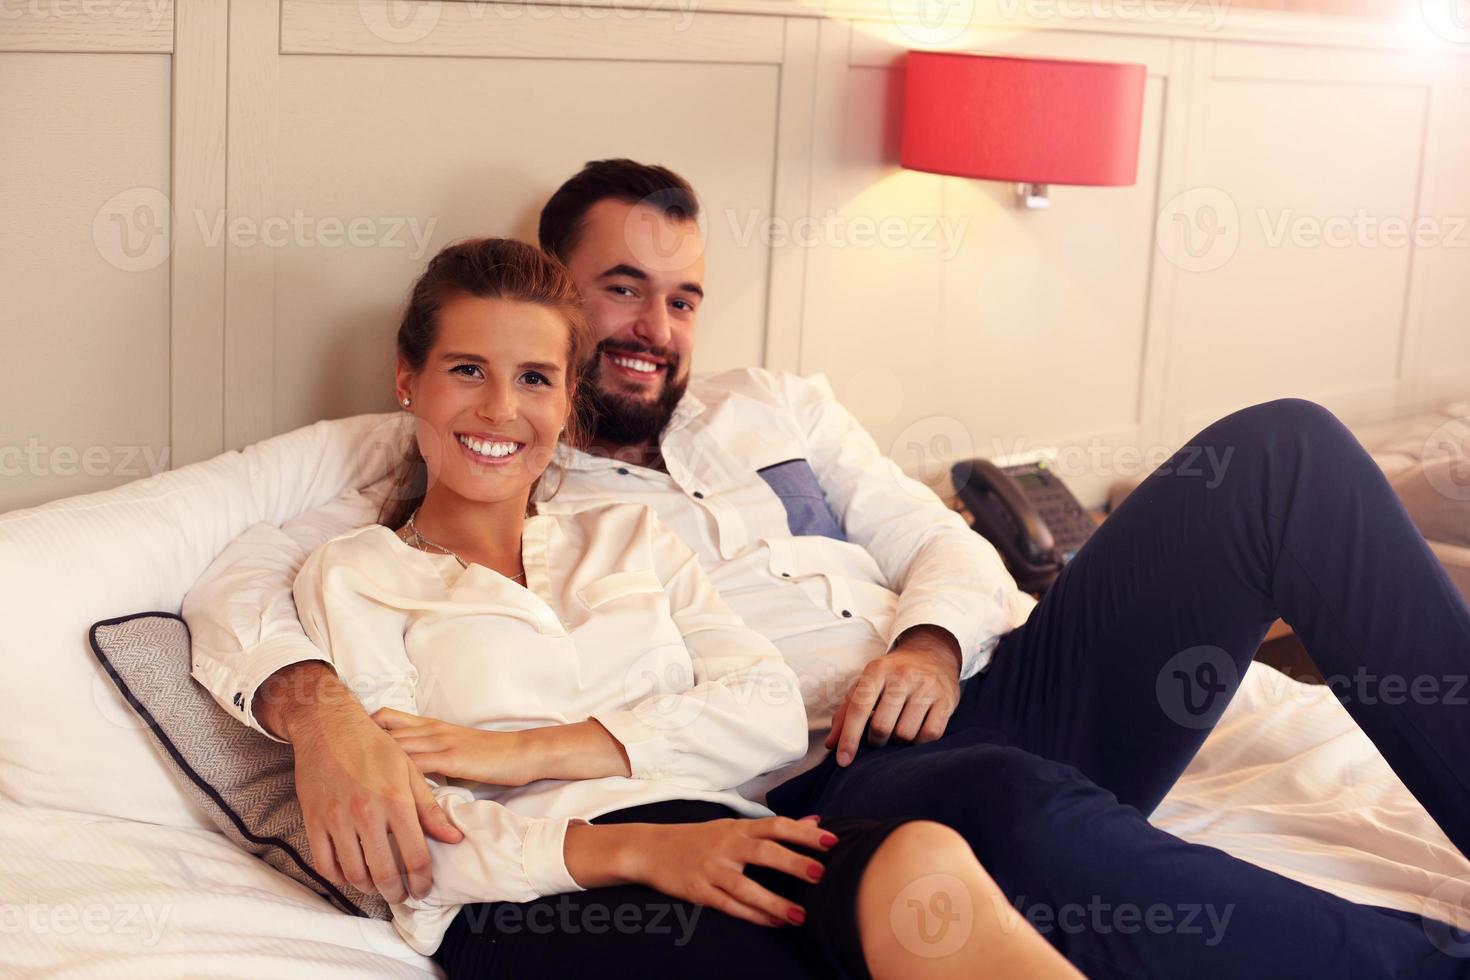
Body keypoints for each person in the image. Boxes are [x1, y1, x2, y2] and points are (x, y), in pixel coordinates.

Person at [185, 162, 1470, 977]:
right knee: (1004, 804)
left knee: (1282, 452)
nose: (654, 328)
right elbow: (244, 563)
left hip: (983, 683)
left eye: (682, 297)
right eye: (620, 292)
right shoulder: (502, 465)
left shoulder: (774, 406)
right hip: (839, 777)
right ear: (555, 306)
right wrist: (317, 704)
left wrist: (932, 640)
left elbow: (945, 544)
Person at [285, 234, 1076, 979]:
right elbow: (408, 839)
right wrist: (637, 852)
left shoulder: (630, 536)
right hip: (536, 897)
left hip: (716, 830)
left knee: (923, 864)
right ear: (406, 380)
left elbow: (767, 712)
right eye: (466, 370)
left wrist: (534, 751)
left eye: (534, 378)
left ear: (567, 403)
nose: (500, 408)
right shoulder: (352, 575)